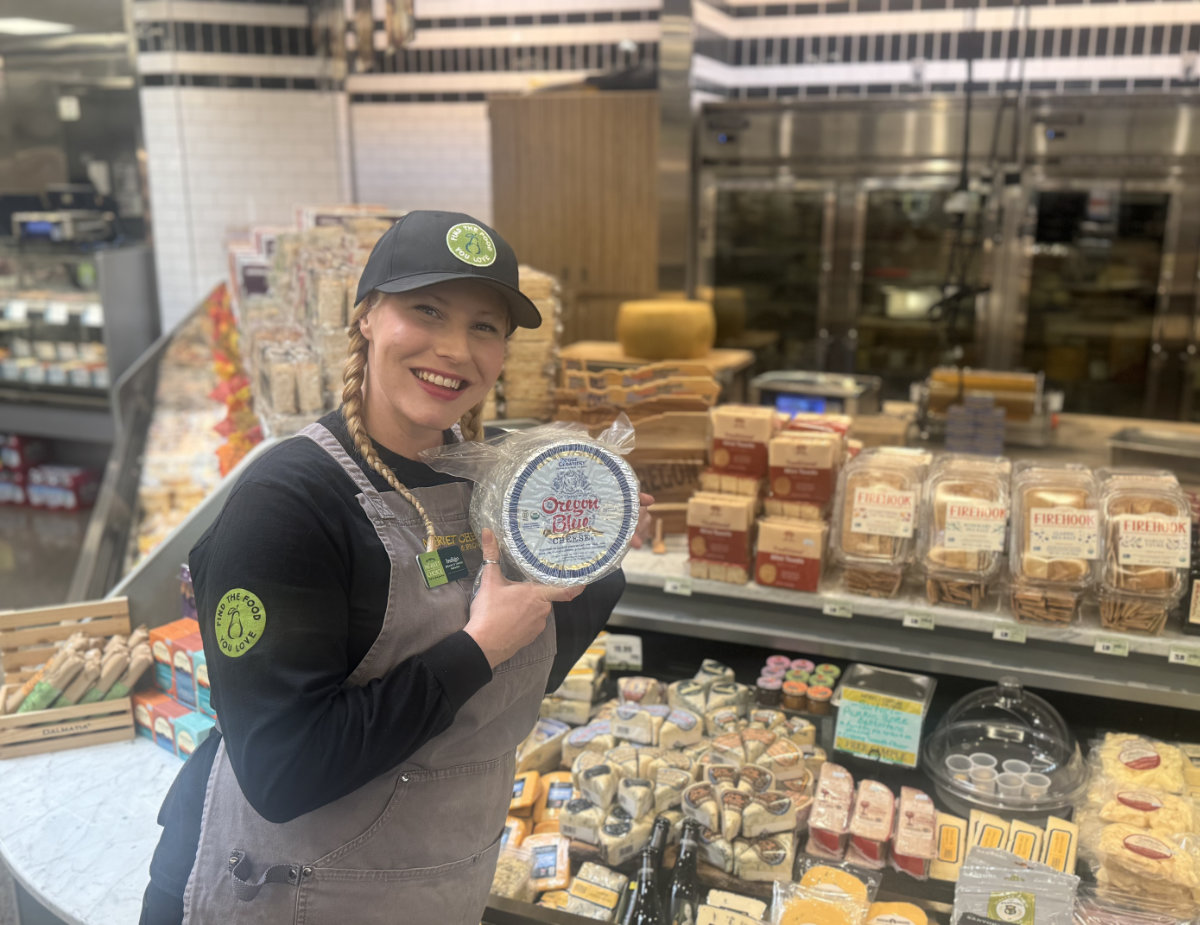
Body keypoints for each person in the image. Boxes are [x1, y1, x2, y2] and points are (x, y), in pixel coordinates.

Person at [140, 210, 653, 924]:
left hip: (434, 882)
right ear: (367, 318)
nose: (455, 348)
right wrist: (478, 647)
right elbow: (281, 770)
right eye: (426, 310)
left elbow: (506, 695)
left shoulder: (501, 478)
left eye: (485, 326)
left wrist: (594, 544)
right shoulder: (287, 502)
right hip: (284, 891)